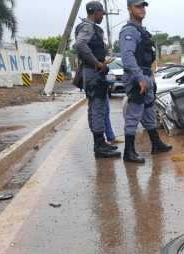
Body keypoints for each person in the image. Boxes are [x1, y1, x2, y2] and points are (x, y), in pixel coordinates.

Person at [120, 0, 172, 164]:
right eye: (137, 6)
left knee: (149, 111)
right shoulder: (128, 31)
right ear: (129, 9)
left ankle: (156, 144)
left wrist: (149, 76)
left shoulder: (141, 31)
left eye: (143, 6)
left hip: (146, 75)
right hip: (137, 77)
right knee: (134, 114)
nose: (142, 9)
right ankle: (128, 152)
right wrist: (140, 77)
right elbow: (127, 57)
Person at [74, 1, 121, 159]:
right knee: (98, 109)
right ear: (95, 12)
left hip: (94, 72)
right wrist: (97, 63)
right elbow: (80, 44)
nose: (103, 16)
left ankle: (100, 143)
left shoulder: (89, 27)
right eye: (102, 13)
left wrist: (101, 62)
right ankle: (99, 146)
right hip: (93, 73)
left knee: (98, 108)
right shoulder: (87, 26)